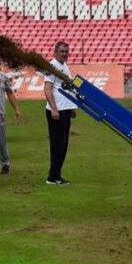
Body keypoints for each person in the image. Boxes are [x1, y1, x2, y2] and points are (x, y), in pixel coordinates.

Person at [43, 41, 77, 186]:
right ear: (55, 52)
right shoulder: (52, 67)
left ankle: (56, 174)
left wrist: (71, 107)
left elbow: (66, 88)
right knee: (58, 145)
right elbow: (47, 89)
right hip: (56, 112)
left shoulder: (64, 66)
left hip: (65, 111)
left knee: (63, 145)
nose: (64, 54)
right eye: (62, 51)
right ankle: (53, 177)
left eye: (66, 51)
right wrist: (54, 109)